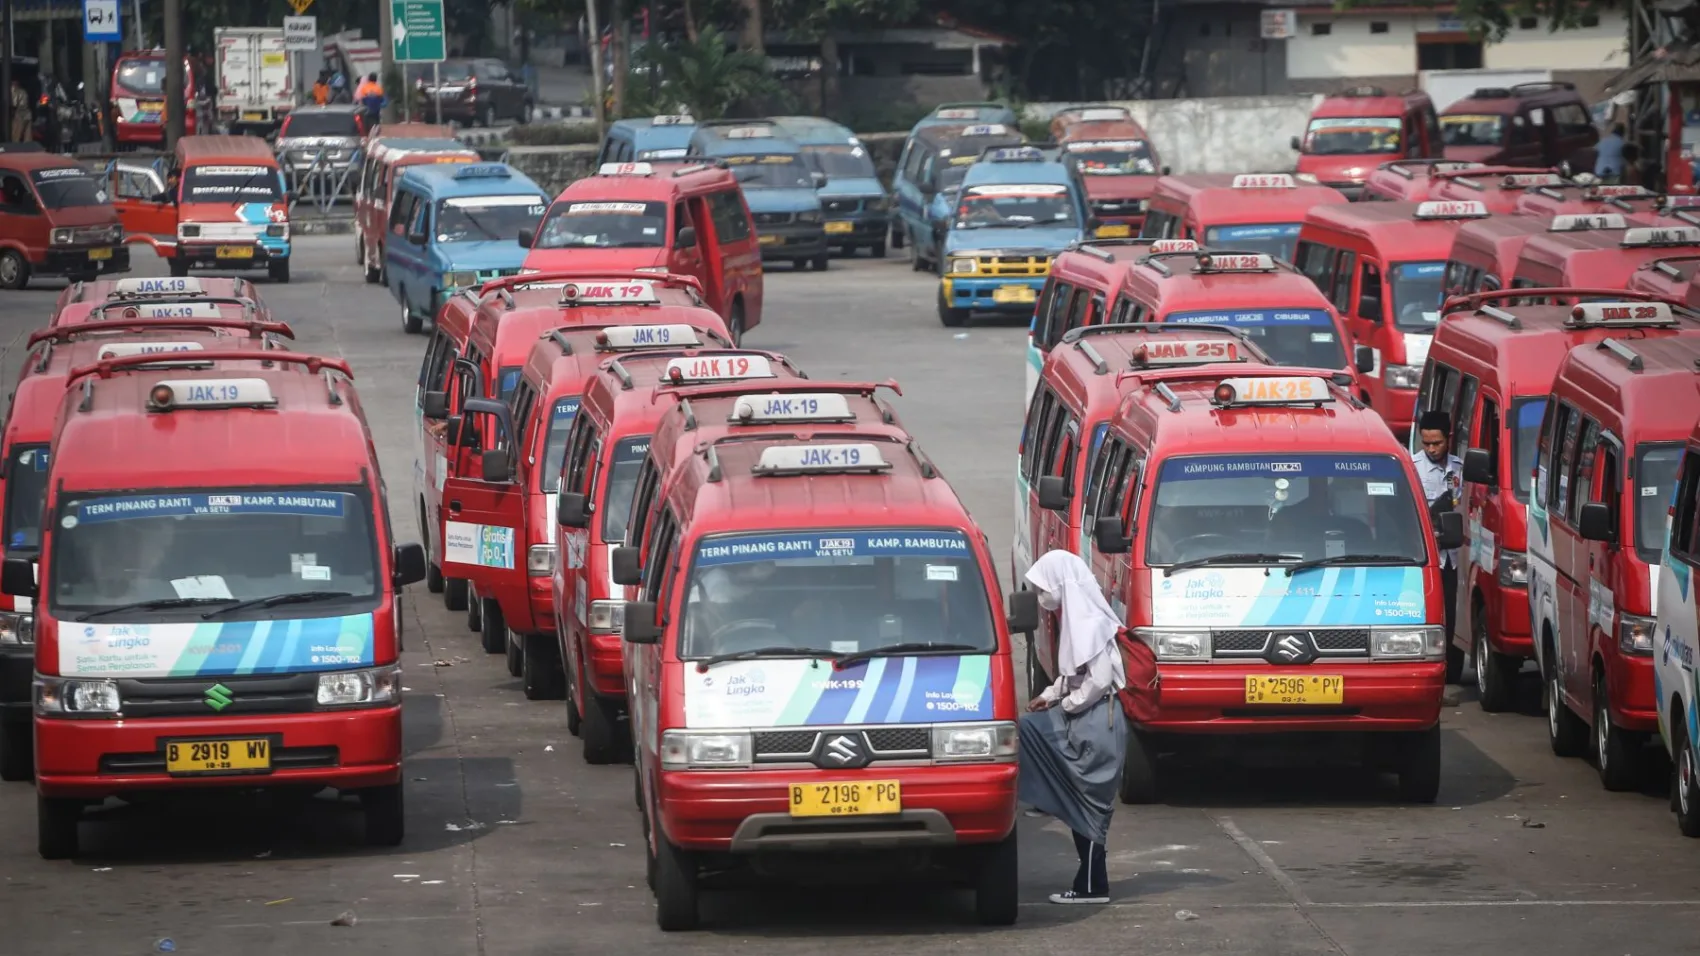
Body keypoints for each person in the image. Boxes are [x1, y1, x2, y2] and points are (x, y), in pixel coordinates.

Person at [1018, 549, 1128, 905]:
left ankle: (1093, 884)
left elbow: (1097, 681)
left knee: (1089, 799)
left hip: (1097, 721)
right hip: (1090, 717)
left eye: (1043, 588)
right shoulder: (1078, 621)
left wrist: (1064, 706)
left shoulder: (1090, 623)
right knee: (1027, 731)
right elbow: (1072, 675)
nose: (1041, 596)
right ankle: (1091, 881)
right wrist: (1049, 696)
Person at [1412, 410, 1462, 659]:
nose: (1431, 449)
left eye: (1437, 443)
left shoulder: (1459, 468)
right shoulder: (1413, 468)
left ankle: (1451, 670)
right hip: (1428, 557)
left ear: (1448, 438)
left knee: (1452, 615)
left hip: (1454, 557)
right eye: (1426, 443)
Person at [8, 78, 28, 143]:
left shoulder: (22, 92)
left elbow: (22, 104)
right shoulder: (7, 91)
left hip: (20, 115)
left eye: (14, 83)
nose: (13, 85)